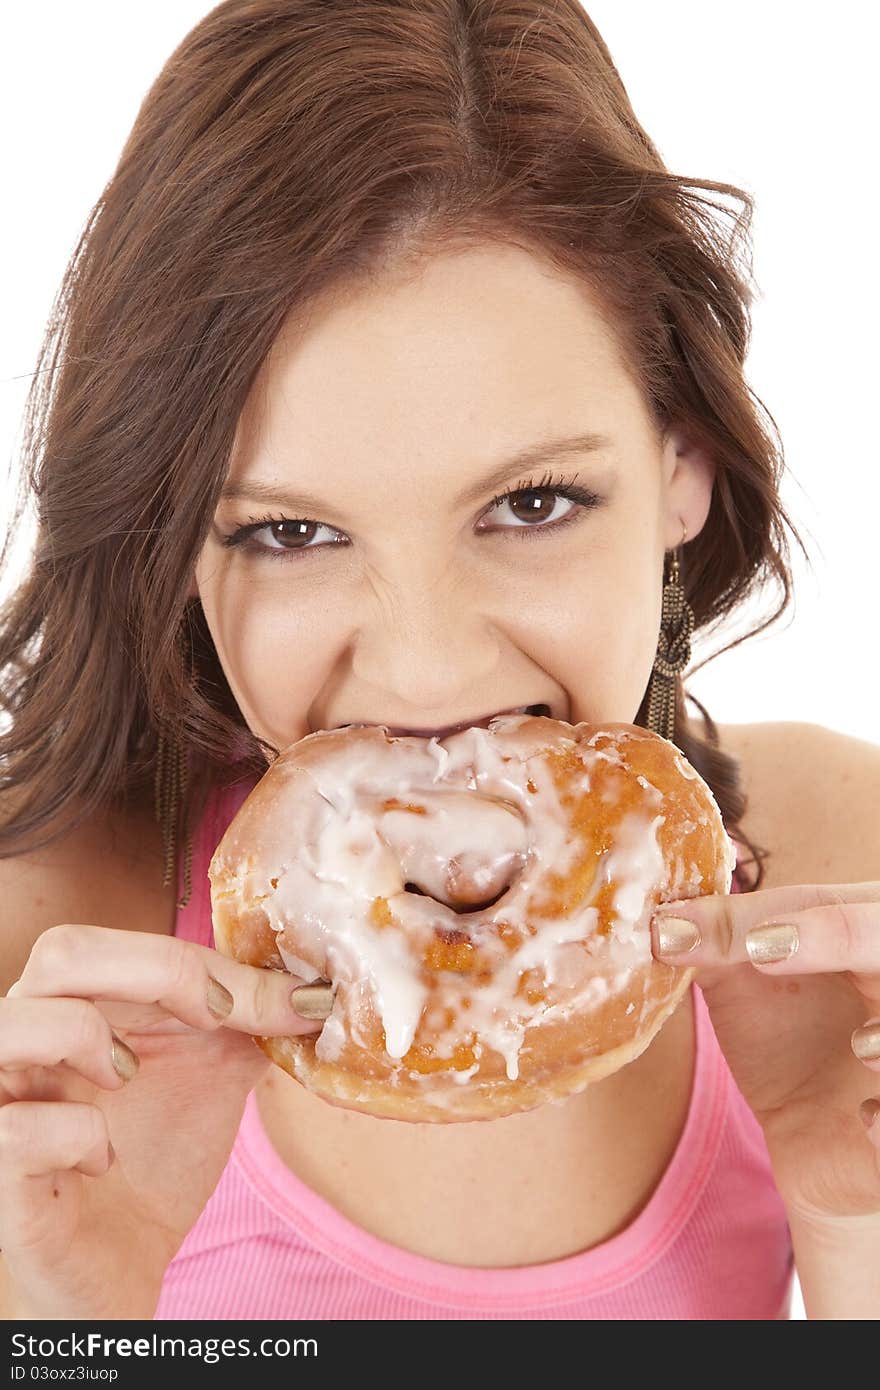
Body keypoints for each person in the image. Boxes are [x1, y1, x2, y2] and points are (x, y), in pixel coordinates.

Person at [1, 0, 878, 1322]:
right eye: (291, 530)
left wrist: (849, 1209)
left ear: (681, 466)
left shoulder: (829, 896)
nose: (421, 671)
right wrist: (67, 1323)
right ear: (175, 543)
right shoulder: (44, 998)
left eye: (531, 504)